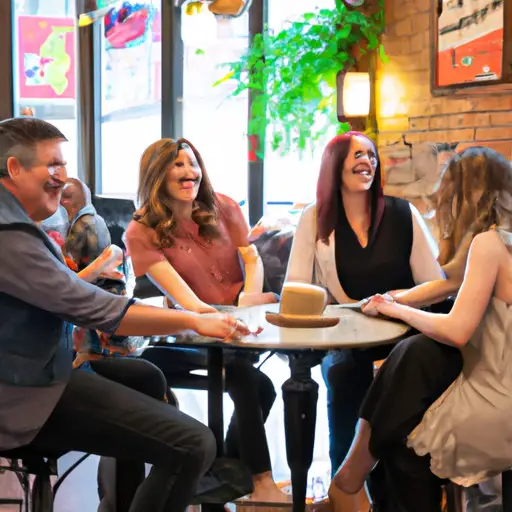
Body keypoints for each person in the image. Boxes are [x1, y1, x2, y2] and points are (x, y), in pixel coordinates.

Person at [0, 116, 252, 512]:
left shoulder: (18, 226)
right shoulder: (9, 236)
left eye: (63, 166)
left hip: (48, 368)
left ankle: (120, 503)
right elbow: (96, 307)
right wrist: (193, 319)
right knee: (193, 443)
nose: (63, 178)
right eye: (53, 165)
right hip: (25, 395)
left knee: (145, 377)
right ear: (14, 168)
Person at [328, 146, 512, 512]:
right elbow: (451, 283)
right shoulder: (501, 241)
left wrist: (397, 309)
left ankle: (349, 480)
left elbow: (458, 329)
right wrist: (400, 300)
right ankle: (350, 478)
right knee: (415, 359)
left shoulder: (489, 245)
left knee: (401, 438)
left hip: (500, 399)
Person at [124, 137, 286, 503]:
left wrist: (247, 304)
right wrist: (233, 316)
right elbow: (191, 304)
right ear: (156, 174)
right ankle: (261, 484)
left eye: (192, 163)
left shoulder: (224, 207)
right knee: (249, 380)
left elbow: (252, 262)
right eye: (177, 165)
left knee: (264, 387)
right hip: (189, 336)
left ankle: (224, 474)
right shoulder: (142, 231)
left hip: (241, 327)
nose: (189, 172)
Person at [285, 132, 444, 484]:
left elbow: (435, 284)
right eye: (357, 154)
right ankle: (346, 488)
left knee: (399, 380)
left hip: (404, 333)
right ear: (334, 163)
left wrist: (393, 302)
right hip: (346, 335)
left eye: (372, 155)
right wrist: (321, 298)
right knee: (342, 375)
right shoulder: (314, 218)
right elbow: (295, 289)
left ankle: (393, 486)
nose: (367, 161)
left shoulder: (404, 214)